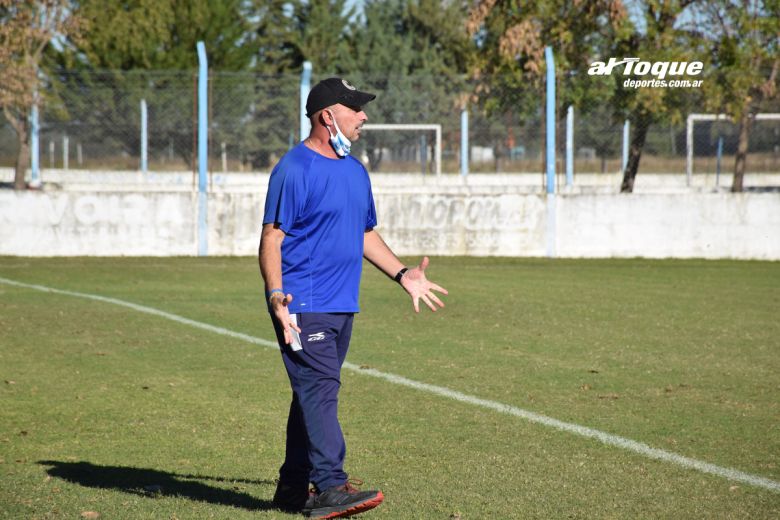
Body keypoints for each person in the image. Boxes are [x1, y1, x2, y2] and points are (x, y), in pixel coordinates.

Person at [258, 77, 448, 519]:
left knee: (311, 393)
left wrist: (403, 274)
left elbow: (364, 233)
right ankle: (328, 486)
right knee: (321, 390)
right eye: (354, 108)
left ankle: (291, 489)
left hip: (343, 304)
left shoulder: (355, 171)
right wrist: (275, 297)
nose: (364, 115)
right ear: (328, 116)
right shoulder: (294, 168)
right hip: (301, 304)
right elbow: (271, 238)